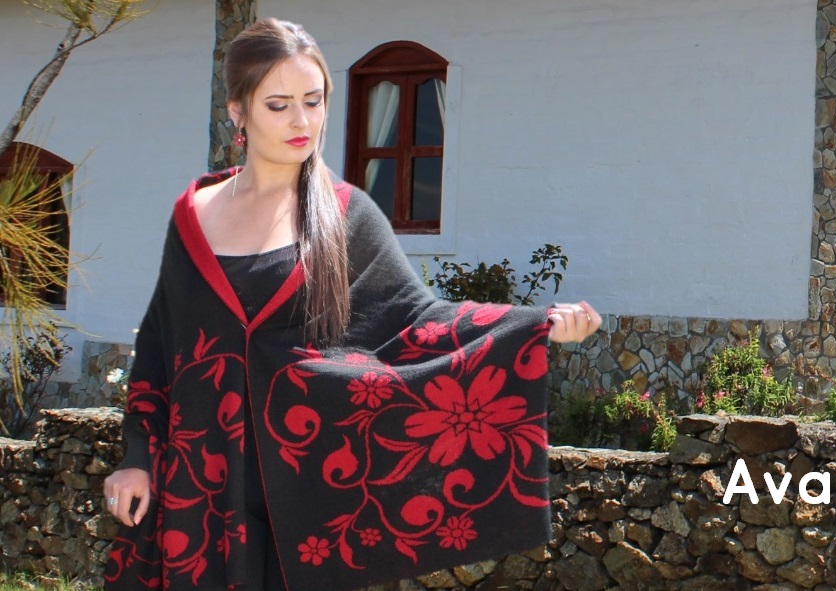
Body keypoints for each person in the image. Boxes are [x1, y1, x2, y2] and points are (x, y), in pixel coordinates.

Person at [99, 17, 599, 591]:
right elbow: (160, 344)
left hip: (304, 492)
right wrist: (137, 456)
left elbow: (416, 322)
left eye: (313, 101)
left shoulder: (346, 215)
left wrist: (532, 326)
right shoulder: (192, 215)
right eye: (279, 105)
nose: (301, 121)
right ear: (238, 111)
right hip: (199, 484)